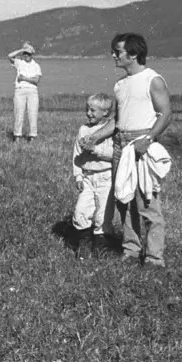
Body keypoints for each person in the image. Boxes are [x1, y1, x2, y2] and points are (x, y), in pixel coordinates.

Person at [81, 33, 173, 267]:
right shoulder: (120, 85)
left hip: (141, 143)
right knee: (123, 198)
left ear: (133, 54)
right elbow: (117, 121)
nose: (113, 55)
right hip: (120, 144)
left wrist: (149, 139)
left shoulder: (153, 80)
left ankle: (154, 257)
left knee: (147, 201)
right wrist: (95, 136)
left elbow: (166, 114)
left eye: (117, 52)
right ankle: (131, 249)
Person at [71, 93, 115, 260]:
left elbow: (114, 155)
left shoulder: (111, 132)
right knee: (81, 211)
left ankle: (101, 247)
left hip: (106, 177)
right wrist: (78, 176)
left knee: (103, 214)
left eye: (93, 110)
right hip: (88, 177)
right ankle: (84, 244)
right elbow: (76, 155)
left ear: (105, 113)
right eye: (87, 109)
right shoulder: (83, 129)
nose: (88, 113)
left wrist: (96, 150)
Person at [7, 43, 42, 142]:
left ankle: (33, 136)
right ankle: (17, 136)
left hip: (32, 91)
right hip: (20, 90)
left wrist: (24, 78)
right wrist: (21, 49)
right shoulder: (19, 62)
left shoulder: (36, 66)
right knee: (18, 113)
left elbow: (36, 80)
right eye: (25, 53)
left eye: (28, 54)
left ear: (32, 55)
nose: (26, 55)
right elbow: (9, 56)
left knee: (32, 113)